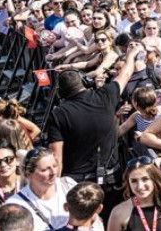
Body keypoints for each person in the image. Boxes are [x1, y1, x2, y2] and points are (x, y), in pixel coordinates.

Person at [44, 47, 137, 211]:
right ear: (84, 83)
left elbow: (56, 157)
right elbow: (126, 74)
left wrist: (53, 190)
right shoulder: (105, 95)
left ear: (60, 94)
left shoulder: (58, 115)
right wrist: (131, 55)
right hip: (110, 179)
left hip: (78, 185)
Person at [4, 149, 103, 231]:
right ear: (28, 173)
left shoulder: (67, 185)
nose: (53, 172)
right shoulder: (16, 205)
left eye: (54, 166)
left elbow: (93, 217)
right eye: (45, 170)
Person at [106, 158, 161, 231]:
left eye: (145, 179)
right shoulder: (119, 212)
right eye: (134, 181)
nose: (140, 186)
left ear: (155, 180)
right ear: (128, 183)